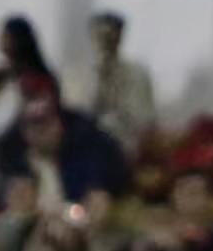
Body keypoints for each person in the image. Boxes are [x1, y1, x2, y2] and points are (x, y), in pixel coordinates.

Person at [66, 11, 156, 156]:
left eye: (110, 36)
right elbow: (72, 113)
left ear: (120, 35)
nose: (105, 42)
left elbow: (145, 118)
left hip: (126, 148)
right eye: (100, 36)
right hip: (86, 150)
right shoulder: (76, 74)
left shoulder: (137, 74)